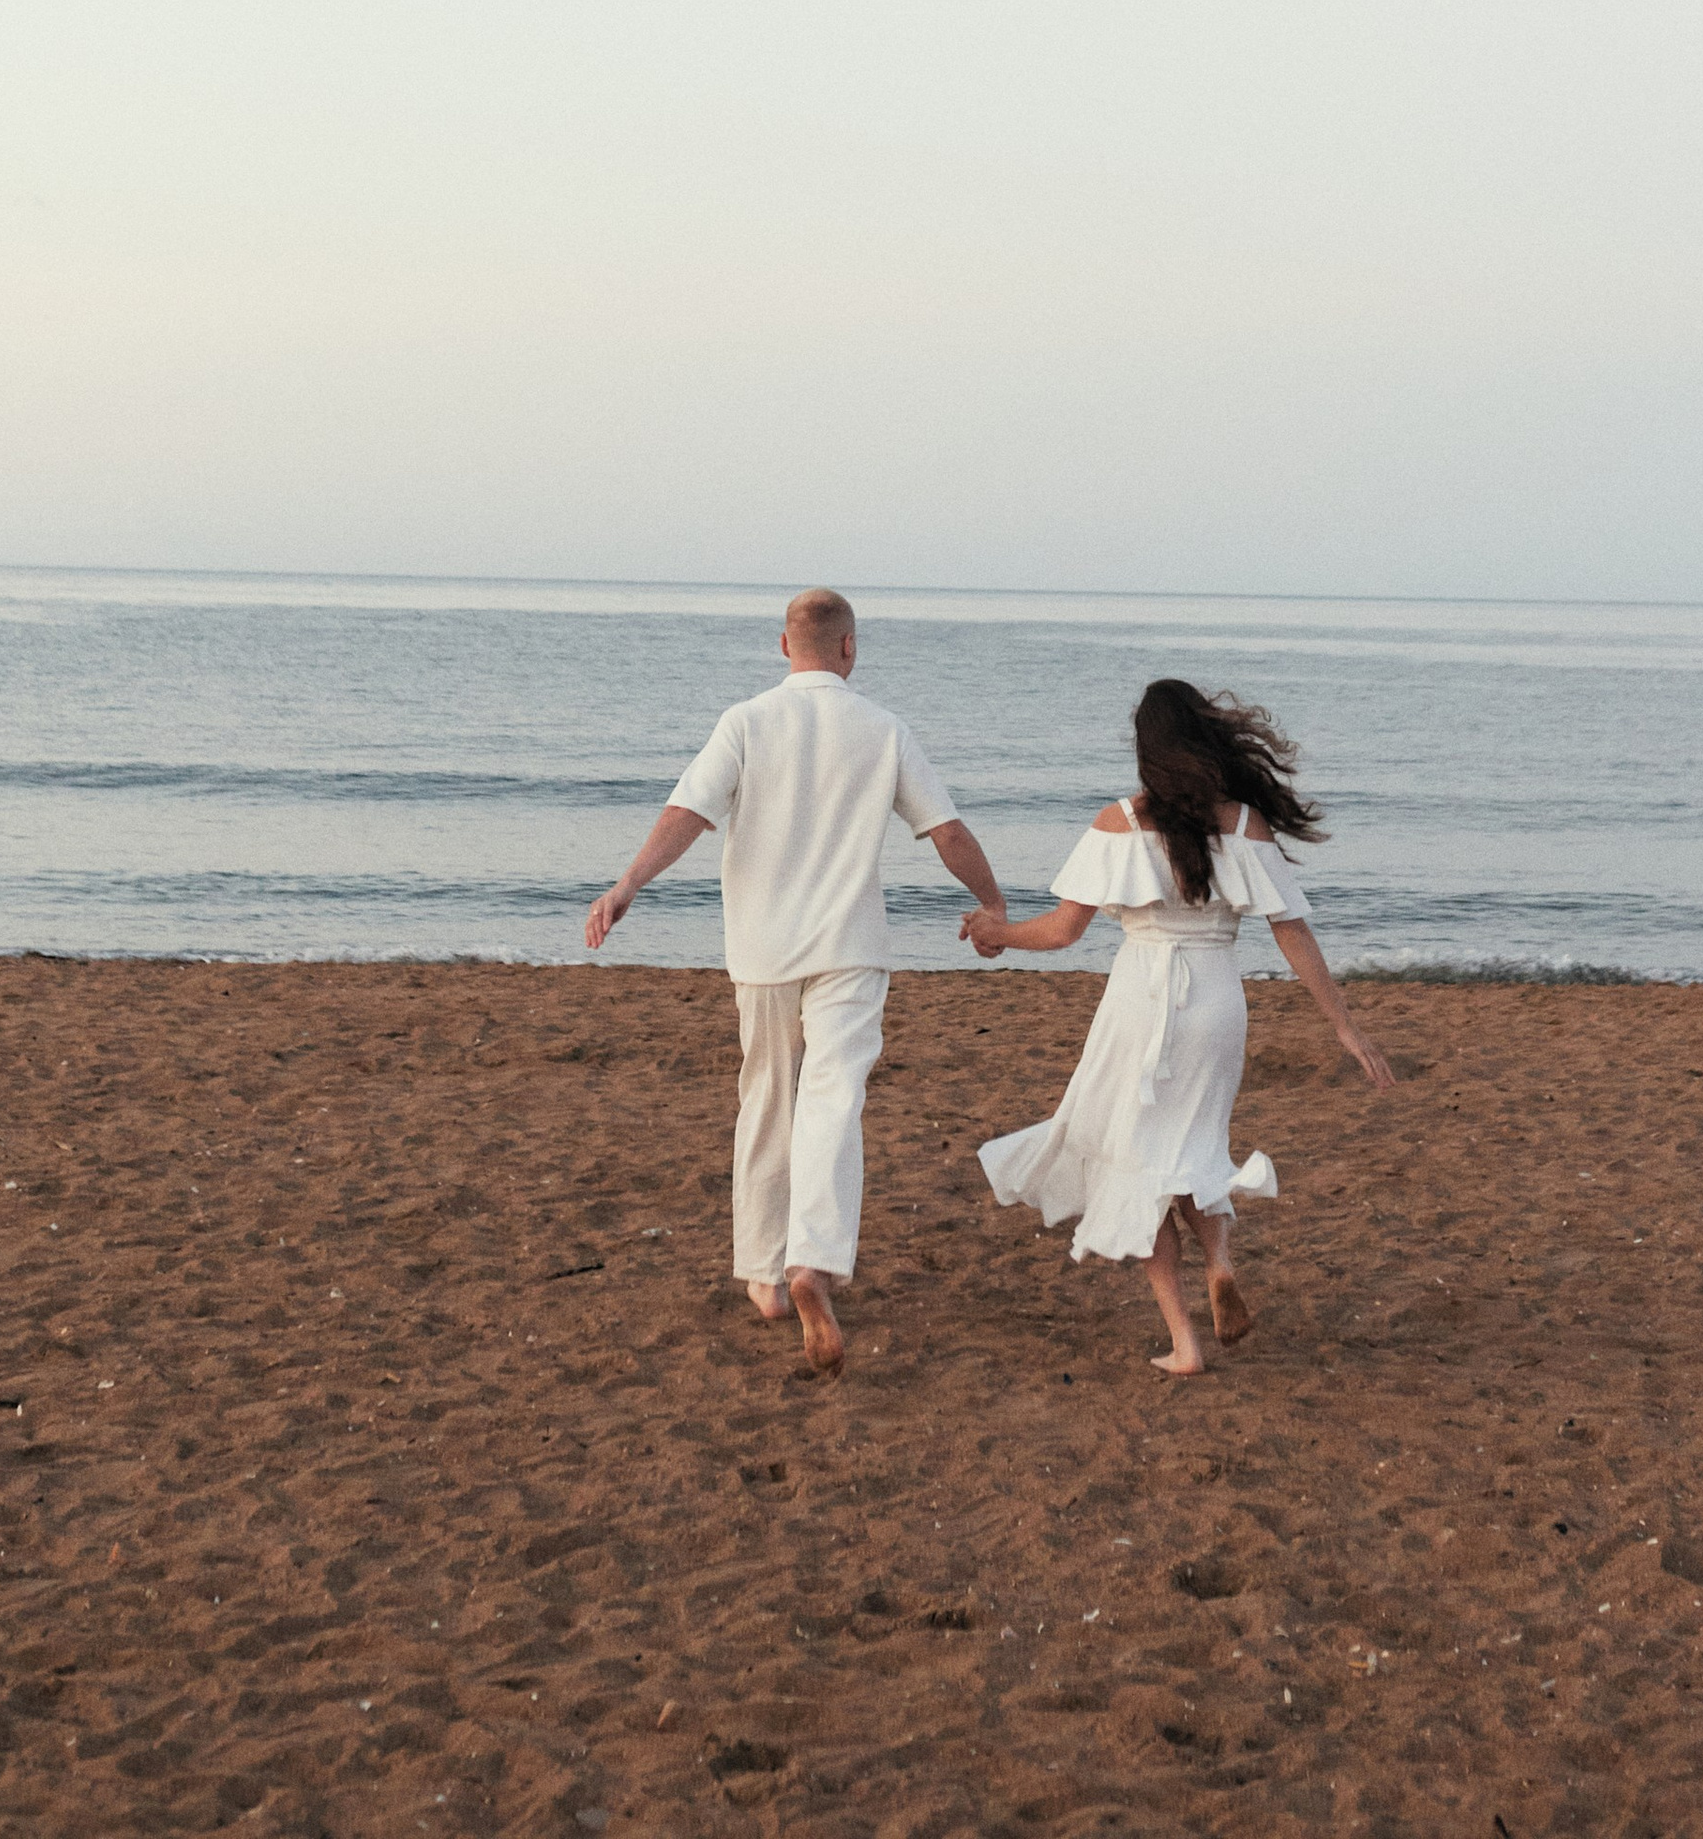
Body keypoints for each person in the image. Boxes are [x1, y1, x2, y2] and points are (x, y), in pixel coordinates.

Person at [584, 586, 1007, 1377]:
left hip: (763, 949)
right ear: (850, 649)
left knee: (768, 1098)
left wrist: (626, 885)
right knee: (833, 1101)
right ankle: (813, 1260)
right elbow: (944, 831)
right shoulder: (883, 729)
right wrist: (991, 902)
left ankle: (765, 1279)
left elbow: (689, 812)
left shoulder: (746, 722)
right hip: (850, 947)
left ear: (784, 648)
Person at [971, 676, 1395, 1375]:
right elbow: (1293, 933)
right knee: (1195, 1151)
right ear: (1206, 740)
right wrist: (1343, 1026)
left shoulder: (1120, 823)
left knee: (1138, 1167)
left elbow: (1062, 932)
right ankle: (1219, 1260)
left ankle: (1186, 1343)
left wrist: (998, 933)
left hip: (1140, 997)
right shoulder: (1244, 823)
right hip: (1218, 1001)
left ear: (1146, 750)